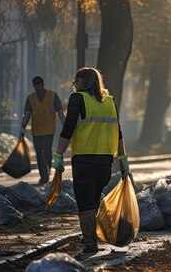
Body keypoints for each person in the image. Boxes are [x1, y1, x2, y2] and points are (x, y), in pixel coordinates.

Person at [52, 67, 128, 255]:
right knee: (93, 200)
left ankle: (90, 245)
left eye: (75, 80)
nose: (73, 84)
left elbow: (68, 128)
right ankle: (91, 237)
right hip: (105, 162)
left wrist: (59, 154)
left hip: (84, 159)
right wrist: (123, 160)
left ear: (81, 81)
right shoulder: (110, 101)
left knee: (85, 202)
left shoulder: (78, 99)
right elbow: (118, 131)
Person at [20, 76, 65, 186]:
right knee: (39, 153)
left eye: (39, 85)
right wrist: (23, 127)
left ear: (42, 84)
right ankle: (44, 176)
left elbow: (60, 111)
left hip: (49, 129)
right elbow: (26, 114)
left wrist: (65, 124)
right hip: (37, 130)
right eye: (36, 86)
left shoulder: (52, 96)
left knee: (46, 151)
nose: (38, 87)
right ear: (34, 86)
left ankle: (47, 169)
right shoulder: (30, 98)